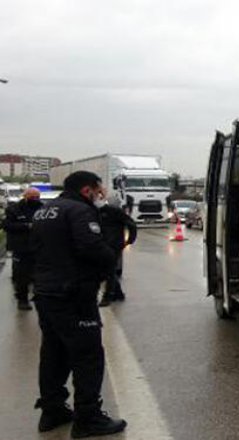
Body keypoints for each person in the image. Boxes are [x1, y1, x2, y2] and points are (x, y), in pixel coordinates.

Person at [31, 171, 127, 437]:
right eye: (98, 189)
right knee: (88, 356)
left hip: (46, 294)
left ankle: (52, 410)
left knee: (54, 353)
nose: (101, 194)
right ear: (87, 190)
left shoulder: (45, 211)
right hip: (73, 296)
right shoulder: (79, 212)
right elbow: (92, 249)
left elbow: (33, 249)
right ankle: (88, 418)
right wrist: (110, 257)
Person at [2, 187, 42, 310]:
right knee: (22, 276)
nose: (35, 199)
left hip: (38, 247)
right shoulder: (14, 209)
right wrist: (26, 226)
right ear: (25, 196)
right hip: (21, 247)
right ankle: (22, 299)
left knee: (39, 275)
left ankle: (40, 297)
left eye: (37, 197)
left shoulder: (42, 208)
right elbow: (7, 225)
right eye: (32, 197)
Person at [97, 197, 137, 307]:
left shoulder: (114, 212)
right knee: (106, 270)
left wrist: (129, 240)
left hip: (114, 245)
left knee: (109, 270)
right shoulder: (92, 212)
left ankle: (108, 296)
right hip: (100, 244)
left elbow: (131, 224)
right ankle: (118, 293)